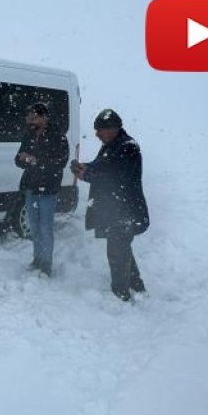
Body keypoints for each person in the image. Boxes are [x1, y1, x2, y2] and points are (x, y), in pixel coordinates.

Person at [70, 109, 149, 301]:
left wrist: (86, 175)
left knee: (116, 252)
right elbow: (102, 166)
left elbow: (117, 178)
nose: (96, 134)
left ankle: (121, 296)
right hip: (116, 210)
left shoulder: (128, 147)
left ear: (112, 129)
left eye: (99, 130)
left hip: (125, 211)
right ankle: (137, 287)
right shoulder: (112, 145)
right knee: (122, 249)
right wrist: (86, 167)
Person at [15, 102, 70, 277]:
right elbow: (18, 159)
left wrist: (36, 161)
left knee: (45, 228)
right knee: (34, 227)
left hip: (47, 188)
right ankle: (37, 260)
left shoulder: (58, 137)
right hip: (30, 186)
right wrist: (23, 158)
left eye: (34, 116)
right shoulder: (29, 135)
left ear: (44, 117)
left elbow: (60, 163)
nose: (30, 120)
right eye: (29, 116)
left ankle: (46, 264)